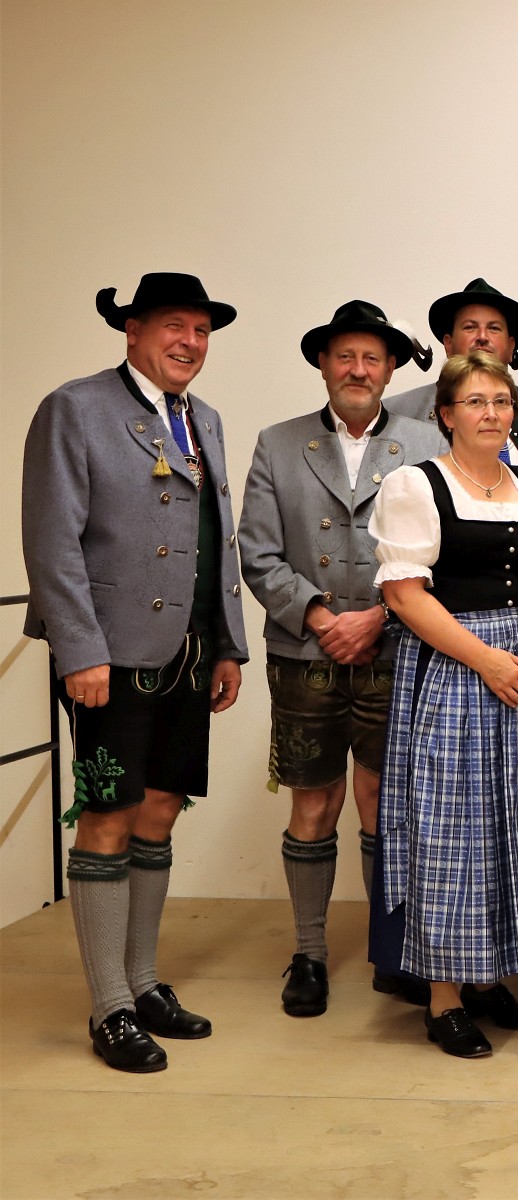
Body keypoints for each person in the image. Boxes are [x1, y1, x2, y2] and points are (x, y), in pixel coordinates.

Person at [25, 271, 249, 1074]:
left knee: (160, 811)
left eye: (201, 330)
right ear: (133, 330)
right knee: (108, 816)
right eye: (174, 326)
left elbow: (217, 535)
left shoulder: (204, 417)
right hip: (109, 655)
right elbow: (52, 540)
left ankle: (145, 983)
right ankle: (110, 1007)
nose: (190, 342)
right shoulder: (75, 407)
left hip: (189, 652)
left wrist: (229, 644)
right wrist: (78, 649)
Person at [370, 350, 518, 1058]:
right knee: (452, 830)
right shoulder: (415, 484)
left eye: (501, 401)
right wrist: (485, 659)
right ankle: (444, 998)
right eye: (476, 402)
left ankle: (489, 977)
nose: (492, 413)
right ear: (446, 415)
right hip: (457, 668)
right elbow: (405, 596)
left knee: (513, 824)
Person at [238, 300, 442, 1017]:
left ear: (390, 370)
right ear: (323, 364)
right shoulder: (278, 442)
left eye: (372, 358)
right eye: (345, 356)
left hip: (398, 646)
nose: (358, 370)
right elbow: (257, 552)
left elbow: (444, 549)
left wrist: (381, 615)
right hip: (306, 651)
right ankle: (310, 953)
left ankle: (393, 950)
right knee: (314, 799)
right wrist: (323, 617)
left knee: (385, 800)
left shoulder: (427, 441)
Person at [387, 278, 518, 465]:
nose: (482, 337)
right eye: (469, 327)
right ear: (448, 344)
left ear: (511, 346)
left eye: (494, 328)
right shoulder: (398, 411)